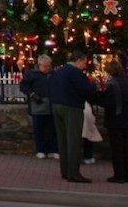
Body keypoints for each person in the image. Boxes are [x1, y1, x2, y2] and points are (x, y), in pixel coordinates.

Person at [51, 50, 98, 183]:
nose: (84, 66)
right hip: (71, 107)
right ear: (78, 61)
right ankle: (74, 173)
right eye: (84, 63)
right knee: (73, 140)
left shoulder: (58, 71)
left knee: (63, 139)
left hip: (56, 106)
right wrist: (93, 87)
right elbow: (86, 90)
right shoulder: (76, 73)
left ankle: (65, 170)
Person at [19, 54, 59, 159]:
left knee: (52, 129)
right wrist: (32, 95)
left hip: (51, 104)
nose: (47, 68)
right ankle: (41, 149)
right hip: (38, 104)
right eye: (45, 66)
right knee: (39, 129)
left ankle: (53, 149)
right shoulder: (31, 74)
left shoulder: (53, 74)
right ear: (40, 65)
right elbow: (23, 86)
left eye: (49, 66)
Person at [100, 59, 128, 183]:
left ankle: (119, 175)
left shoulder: (113, 84)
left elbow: (108, 102)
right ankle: (127, 174)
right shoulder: (126, 82)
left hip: (115, 119)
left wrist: (100, 97)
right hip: (126, 118)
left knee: (117, 149)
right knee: (125, 148)